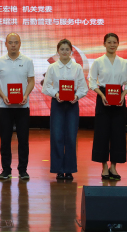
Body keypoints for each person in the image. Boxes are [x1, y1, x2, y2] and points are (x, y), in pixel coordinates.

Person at [0, 33, 35, 180]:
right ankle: (6, 170)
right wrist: (3, 95)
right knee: (5, 140)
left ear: (20, 43)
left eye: (16, 42)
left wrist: (25, 95)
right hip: (5, 107)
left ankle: (23, 170)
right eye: (10, 42)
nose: (13, 45)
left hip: (23, 107)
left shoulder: (27, 61)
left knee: (23, 140)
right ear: (6, 44)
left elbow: (31, 81)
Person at [41, 38, 87, 180]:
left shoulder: (77, 67)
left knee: (71, 137)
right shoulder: (52, 67)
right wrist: (56, 94)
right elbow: (46, 87)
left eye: (67, 49)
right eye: (62, 49)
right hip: (58, 103)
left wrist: (77, 96)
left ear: (71, 51)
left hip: (72, 104)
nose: (65, 52)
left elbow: (83, 88)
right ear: (58, 52)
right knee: (57, 136)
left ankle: (69, 169)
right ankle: (58, 170)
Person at [89, 33, 127, 180]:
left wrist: (122, 95)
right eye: (109, 42)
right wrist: (102, 95)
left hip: (119, 98)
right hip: (103, 97)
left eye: (114, 42)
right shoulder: (98, 62)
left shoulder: (124, 63)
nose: (112, 45)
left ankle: (114, 167)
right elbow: (92, 82)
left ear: (118, 44)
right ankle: (104, 167)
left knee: (118, 133)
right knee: (102, 133)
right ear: (104, 44)